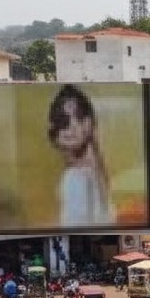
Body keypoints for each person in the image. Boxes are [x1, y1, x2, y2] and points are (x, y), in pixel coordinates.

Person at [49, 85, 115, 226]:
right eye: (63, 120)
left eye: (78, 117)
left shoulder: (76, 177)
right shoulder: (88, 173)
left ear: (88, 122)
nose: (72, 126)